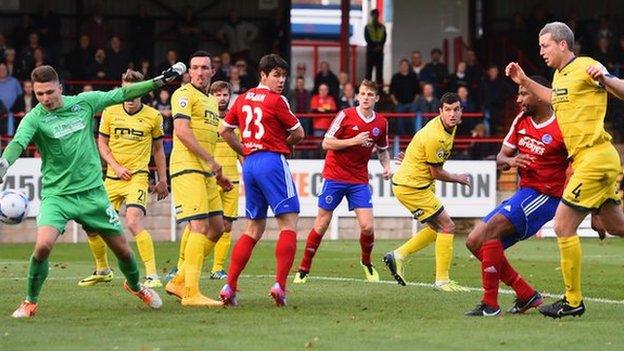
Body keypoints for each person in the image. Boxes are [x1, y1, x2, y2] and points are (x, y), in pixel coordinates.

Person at [0, 62, 185, 318]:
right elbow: (19, 142)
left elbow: (121, 94)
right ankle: (29, 301)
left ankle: (135, 286)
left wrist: (159, 81)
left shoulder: (84, 103)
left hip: (93, 194)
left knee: (123, 250)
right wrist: (4, 163)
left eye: (50, 92)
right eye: (39, 94)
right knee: (42, 246)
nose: (45, 99)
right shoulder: (35, 118)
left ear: (60, 88)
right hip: (58, 195)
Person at [506, 21, 624, 318]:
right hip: (590, 159)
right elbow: (551, 98)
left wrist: (606, 79)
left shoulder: (586, 65)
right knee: (615, 226)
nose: (541, 51)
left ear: (562, 44)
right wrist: (524, 80)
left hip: (594, 157)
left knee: (562, 225)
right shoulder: (560, 77)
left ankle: (573, 301)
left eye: (544, 45)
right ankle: (572, 299)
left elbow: (621, 89)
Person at [464, 76, 567, 316]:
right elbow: (501, 158)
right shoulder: (520, 121)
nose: (518, 99)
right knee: (474, 241)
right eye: (518, 94)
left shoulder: (562, 124)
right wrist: (511, 160)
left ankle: (490, 304)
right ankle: (526, 294)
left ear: (540, 95)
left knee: (489, 233)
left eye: (523, 94)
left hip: (545, 196)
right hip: (525, 193)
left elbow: (577, 162)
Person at [218, 54, 305, 307]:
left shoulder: (242, 98)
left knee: (253, 228)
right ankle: (280, 285)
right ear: (263, 75)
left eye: (283, 76)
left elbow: (224, 130)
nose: (281, 80)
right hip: (271, 161)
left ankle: (229, 286)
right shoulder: (277, 100)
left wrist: (244, 151)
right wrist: (282, 144)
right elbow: (298, 133)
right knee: (288, 224)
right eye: (276, 75)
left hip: (251, 164)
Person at [78, 70, 169, 289]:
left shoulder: (153, 116)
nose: (129, 98)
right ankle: (102, 270)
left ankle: (152, 275)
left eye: (134, 93)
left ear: (142, 92)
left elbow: (158, 149)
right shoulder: (109, 112)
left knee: (133, 221)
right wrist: (116, 167)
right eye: (125, 92)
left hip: (137, 177)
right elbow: (102, 144)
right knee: (91, 224)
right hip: (112, 177)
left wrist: (163, 179)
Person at [293, 80, 390, 284]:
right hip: (335, 176)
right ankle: (303, 268)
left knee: (367, 228)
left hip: (358, 180)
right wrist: (353, 141)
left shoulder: (381, 123)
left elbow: (382, 150)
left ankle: (366, 262)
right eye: (362, 94)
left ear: (376, 98)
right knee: (321, 224)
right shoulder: (345, 115)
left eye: (370, 95)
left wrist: (387, 167)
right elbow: (326, 142)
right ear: (357, 96)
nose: (365, 97)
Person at [163, 51, 232, 307]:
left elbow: (213, 140)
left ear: (212, 72)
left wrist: (219, 173)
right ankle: (190, 293)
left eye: (205, 67)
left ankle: (180, 280)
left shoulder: (212, 102)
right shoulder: (183, 95)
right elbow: (181, 132)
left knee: (217, 228)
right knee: (199, 227)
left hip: (206, 172)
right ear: (188, 72)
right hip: (187, 167)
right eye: (195, 68)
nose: (200, 72)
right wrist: (212, 162)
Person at [382, 92, 470, 292]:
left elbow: (420, 149)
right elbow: (436, 172)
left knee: (436, 228)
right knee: (447, 226)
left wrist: (411, 158)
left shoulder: (448, 127)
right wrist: (458, 178)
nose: (452, 114)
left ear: (461, 112)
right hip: (412, 187)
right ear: (440, 112)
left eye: (456, 109)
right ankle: (442, 281)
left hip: (415, 182)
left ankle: (398, 256)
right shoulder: (436, 136)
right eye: (447, 110)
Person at [208, 80, 243, 280]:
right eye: (218, 94)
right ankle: (182, 266)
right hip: (210, 178)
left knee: (227, 225)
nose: (222, 98)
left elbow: (241, 150)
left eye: (225, 94)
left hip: (232, 179)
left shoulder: (235, 119)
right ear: (212, 96)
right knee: (200, 224)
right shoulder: (206, 118)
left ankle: (217, 268)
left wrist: (248, 170)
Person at [390, 58, 420, 135]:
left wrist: (414, 103)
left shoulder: (413, 76)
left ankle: (413, 137)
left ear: (408, 66)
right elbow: (391, 92)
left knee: (413, 121)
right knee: (400, 122)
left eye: (406, 65)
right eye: (402, 65)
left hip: (412, 104)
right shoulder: (395, 77)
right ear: (400, 66)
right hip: (399, 104)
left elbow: (418, 91)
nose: (404, 66)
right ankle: (402, 138)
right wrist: (396, 103)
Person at [364, 9, 386, 85]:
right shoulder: (368, 27)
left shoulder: (382, 27)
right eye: (374, 15)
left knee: (379, 73)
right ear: (372, 16)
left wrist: (379, 46)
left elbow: (384, 38)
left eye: (376, 15)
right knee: (368, 72)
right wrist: (374, 47)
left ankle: (380, 90)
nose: (375, 17)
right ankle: (367, 89)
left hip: (379, 52)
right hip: (371, 52)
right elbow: (367, 39)